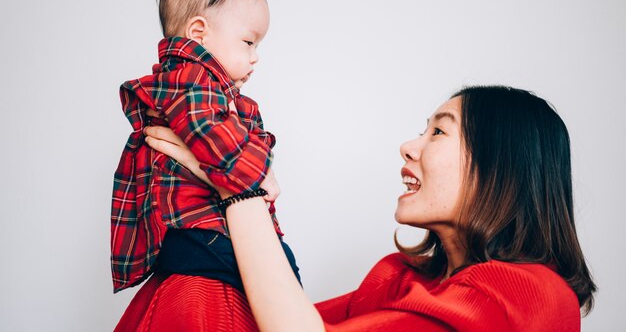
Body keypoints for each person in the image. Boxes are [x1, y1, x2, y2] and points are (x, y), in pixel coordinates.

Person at [134, 85, 596, 331]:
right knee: (193, 289)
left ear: (501, 167)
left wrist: (236, 178)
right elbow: (274, 316)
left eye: (438, 132)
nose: (408, 147)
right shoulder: (400, 277)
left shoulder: (531, 295)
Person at [110, 0, 299, 302]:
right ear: (199, 32)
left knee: (280, 271)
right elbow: (211, 136)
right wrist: (261, 176)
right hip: (195, 236)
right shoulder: (192, 81)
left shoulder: (208, 89)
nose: (256, 56)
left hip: (203, 234)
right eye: (248, 42)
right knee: (283, 274)